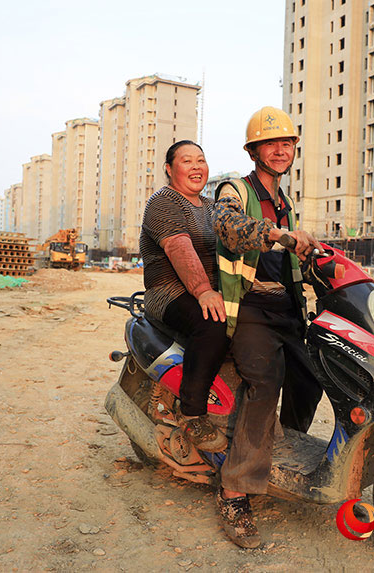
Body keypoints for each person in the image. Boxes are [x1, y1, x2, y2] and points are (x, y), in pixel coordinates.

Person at [212, 107, 325, 547]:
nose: (281, 150)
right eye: (271, 143)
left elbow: (291, 257)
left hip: (286, 308)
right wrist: (277, 235)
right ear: (254, 150)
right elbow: (227, 226)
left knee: (312, 376)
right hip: (250, 306)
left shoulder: (286, 202)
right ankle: (234, 491)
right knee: (266, 381)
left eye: (288, 143)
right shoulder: (235, 190)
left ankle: (279, 453)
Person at [138, 140, 229, 452]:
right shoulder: (163, 202)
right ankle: (192, 413)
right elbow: (179, 247)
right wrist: (203, 291)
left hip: (208, 290)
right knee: (212, 324)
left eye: (201, 160)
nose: (196, 167)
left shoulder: (211, 208)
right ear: (169, 168)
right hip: (169, 291)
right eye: (187, 161)